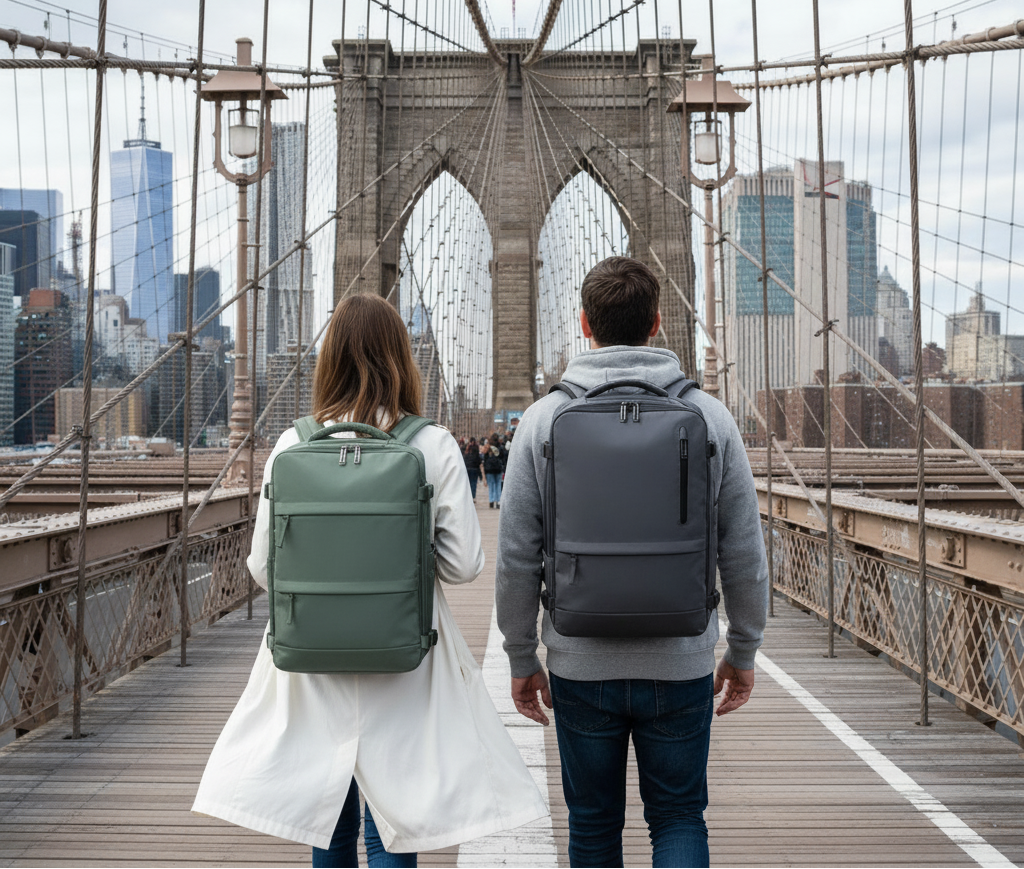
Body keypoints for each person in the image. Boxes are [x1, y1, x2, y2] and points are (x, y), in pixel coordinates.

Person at [193, 294, 547, 867]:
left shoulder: (292, 445)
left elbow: (262, 569)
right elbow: (463, 567)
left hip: (312, 663)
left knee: (328, 818)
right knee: (393, 823)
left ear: (328, 358)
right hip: (404, 659)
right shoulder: (431, 445)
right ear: (402, 358)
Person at [495, 256, 768, 869]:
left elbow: (516, 557)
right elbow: (744, 551)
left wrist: (520, 656)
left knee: (592, 825)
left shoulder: (541, 420)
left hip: (579, 660)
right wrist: (742, 652)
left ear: (585, 324)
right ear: (658, 323)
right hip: (681, 659)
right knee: (677, 819)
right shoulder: (712, 417)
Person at [483, 432, 505, 509]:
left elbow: (485, 459)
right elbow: (503, 457)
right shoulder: (500, 447)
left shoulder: (488, 447)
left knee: (491, 485)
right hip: (498, 468)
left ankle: (491, 501)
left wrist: (485, 470)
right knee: (498, 485)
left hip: (489, 469)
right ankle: (498, 501)